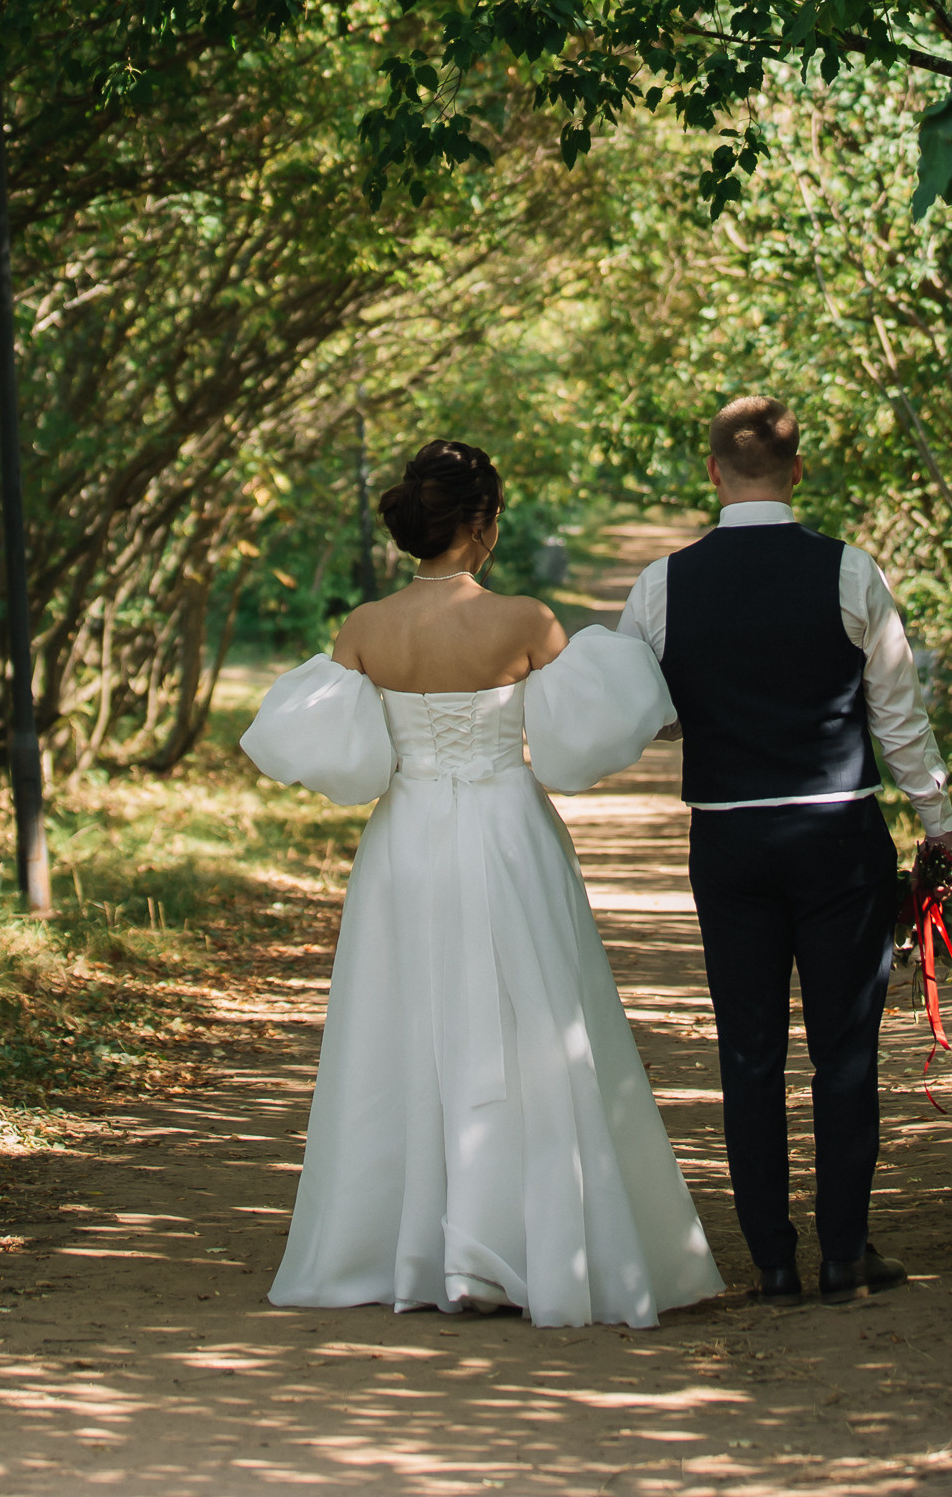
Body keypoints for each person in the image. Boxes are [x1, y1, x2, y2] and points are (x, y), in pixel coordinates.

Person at [240, 437, 724, 1328]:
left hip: (408, 841)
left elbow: (331, 755)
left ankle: (407, 1247)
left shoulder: (364, 628)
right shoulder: (526, 622)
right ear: (481, 526)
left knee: (406, 1024)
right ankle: (526, 1244)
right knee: (531, 1024)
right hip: (508, 833)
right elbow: (587, 740)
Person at [617, 393, 952, 1308]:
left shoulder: (661, 586)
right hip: (838, 834)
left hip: (727, 835)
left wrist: (710, 708)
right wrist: (938, 825)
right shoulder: (851, 573)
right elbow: (898, 717)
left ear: (713, 473)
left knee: (749, 1048)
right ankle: (844, 1253)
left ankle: (772, 1259)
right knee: (844, 1049)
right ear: (799, 471)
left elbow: (635, 713)